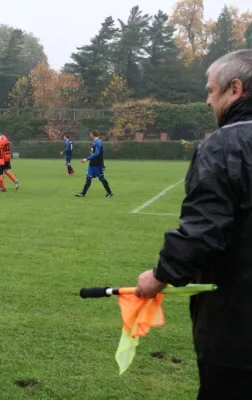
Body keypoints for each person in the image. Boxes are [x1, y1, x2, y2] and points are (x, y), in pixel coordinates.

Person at [133, 49, 252, 399]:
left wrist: (159, 275)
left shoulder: (226, 145)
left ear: (235, 89)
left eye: (210, 90)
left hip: (239, 326)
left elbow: (204, 230)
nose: (206, 100)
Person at [75, 130, 113, 198]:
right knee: (88, 179)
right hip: (92, 164)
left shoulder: (98, 142)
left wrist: (86, 159)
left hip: (97, 165)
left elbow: (96, 153)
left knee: (102, 179)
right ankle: (83, 194)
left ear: (92, 134)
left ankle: (109, 192)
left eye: (90, 134)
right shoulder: (95, 142)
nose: (90, 135)